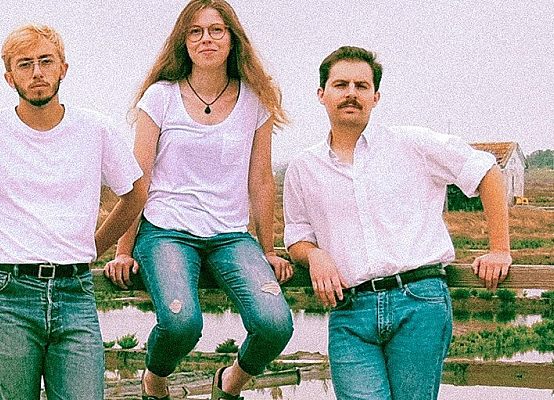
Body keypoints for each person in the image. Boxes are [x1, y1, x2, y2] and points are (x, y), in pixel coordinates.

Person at [0, 24, 147, 400]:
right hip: (7, 296)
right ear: (10, 77)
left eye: (45, 61)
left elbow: (134, 195)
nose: (37, 72)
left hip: (75, 293)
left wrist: (93, 248)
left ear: (63, 69)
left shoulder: (95, 130)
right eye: (25, 64)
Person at [282, 46, 512, 400]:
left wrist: (499, 249)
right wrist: (314, 255)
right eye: (341, 84)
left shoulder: (412, 144)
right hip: (350, 310)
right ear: (321, 94)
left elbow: (487, 171)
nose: (351, 93)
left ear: (375, 97)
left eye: (361, 86)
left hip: (419, 301)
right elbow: (297, 234)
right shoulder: (303, 167)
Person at [104, 1, 294, 398]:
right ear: (184, 41)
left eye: (216, 30)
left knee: (275, 324)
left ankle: (230, 382)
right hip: (165, 231)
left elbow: (261, 180)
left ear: (232, 39)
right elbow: (140, 179)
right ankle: (154, 379)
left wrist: (268, 250)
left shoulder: (254, 101)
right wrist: (123, 251)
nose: (206, 38)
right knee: (182, 325)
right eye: (195, 31)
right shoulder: (160, 97)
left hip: (230, 235)